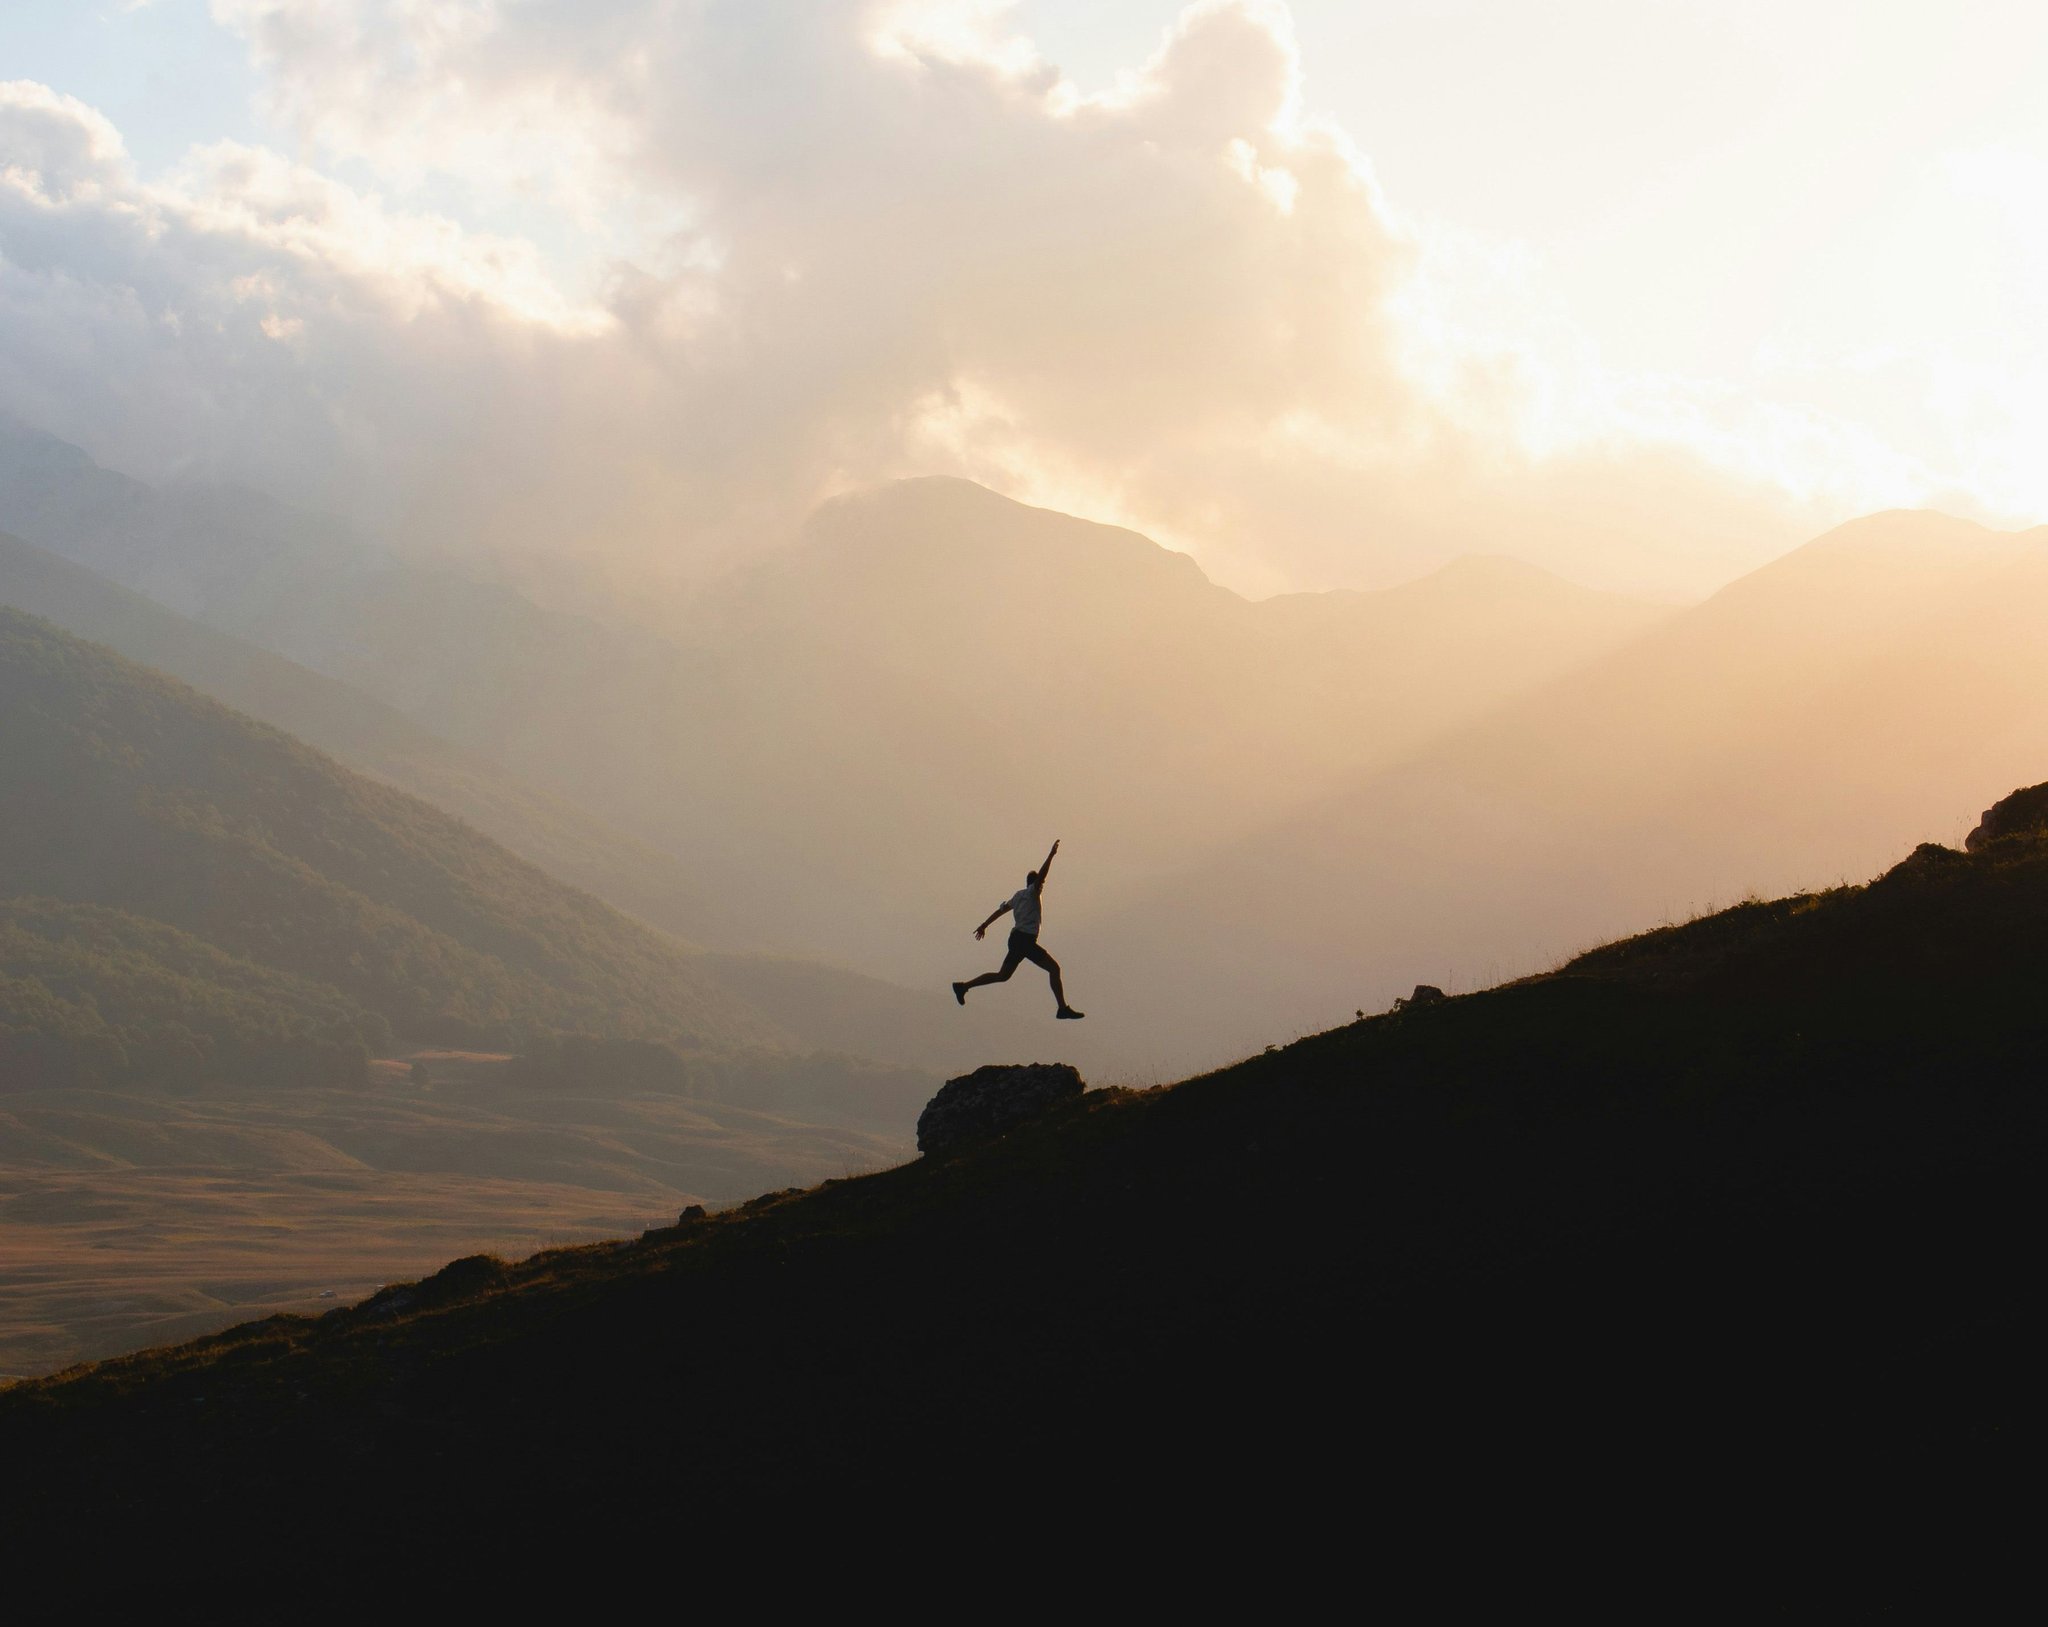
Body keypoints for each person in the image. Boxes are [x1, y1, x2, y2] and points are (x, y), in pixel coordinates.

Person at [953, 839, 1083, 1018]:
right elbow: (1043, 875)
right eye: (1040, 884)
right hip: (1025, 941)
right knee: (1054, 969)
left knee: (1002, 975)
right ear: (1037, 884)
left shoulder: (1018, 896)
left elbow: (1000, 911)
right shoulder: (1032, 893)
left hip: (1015, 940)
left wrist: (984, 925)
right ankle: (1062, 1008)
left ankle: (963, 986)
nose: (1042, 887)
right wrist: (1051, 855)